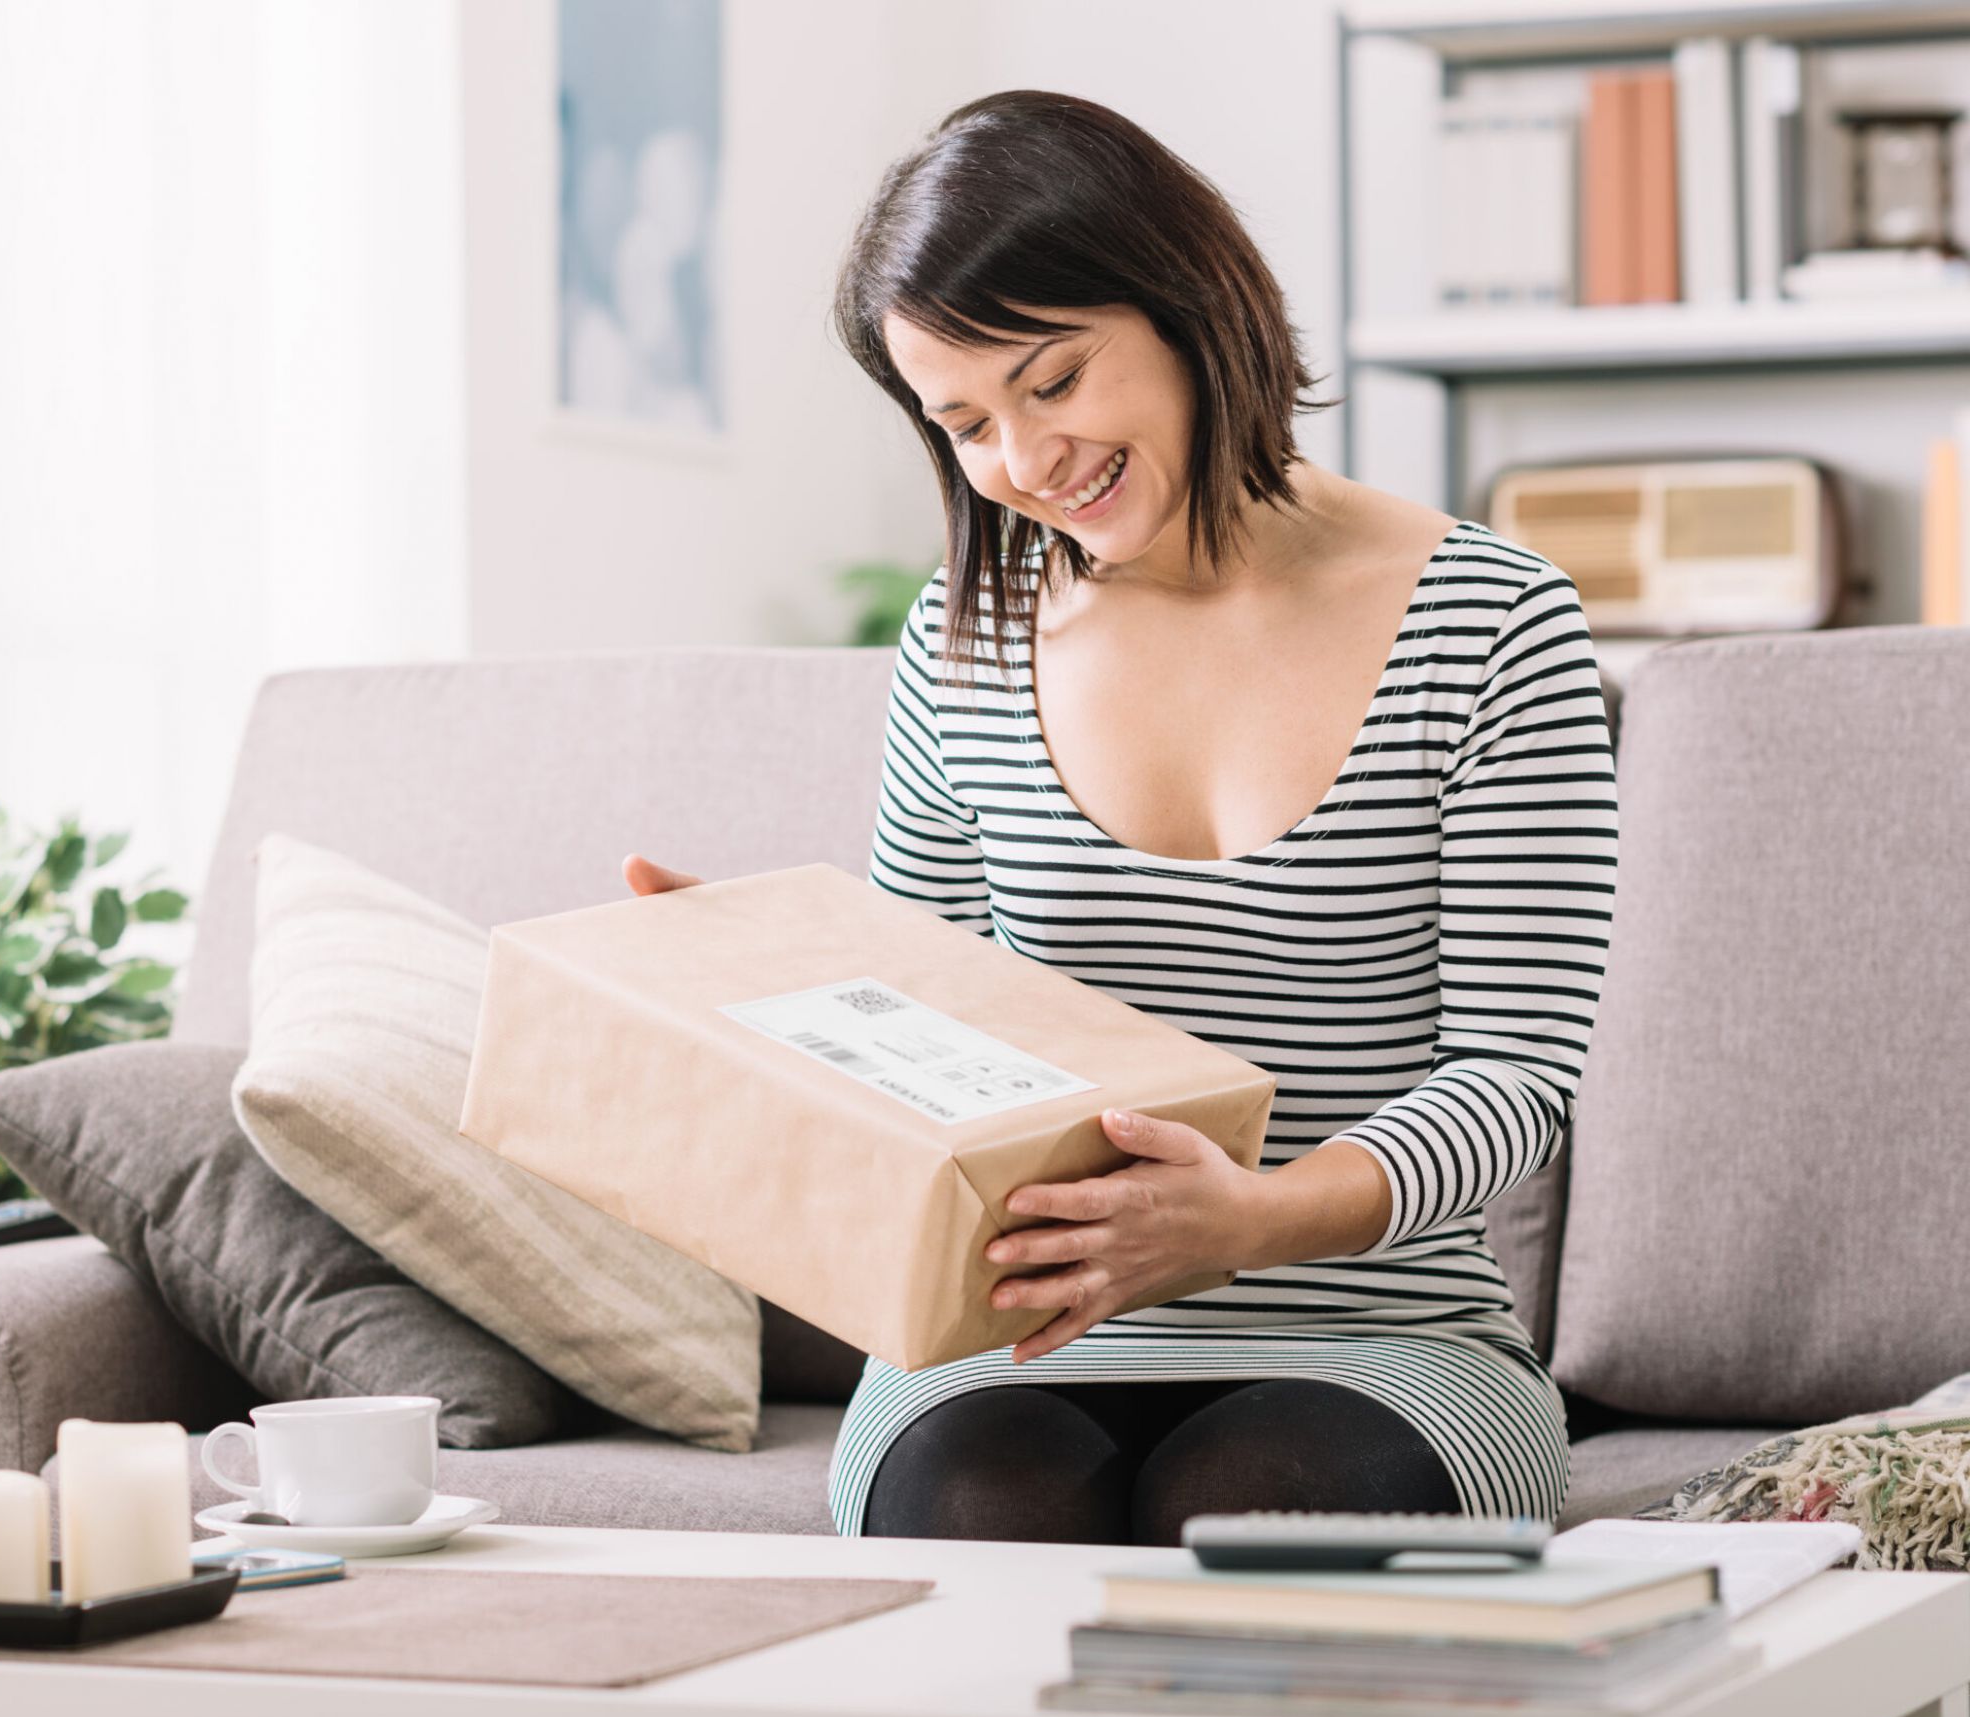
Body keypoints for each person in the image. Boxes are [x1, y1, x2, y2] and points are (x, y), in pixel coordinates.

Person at [625, 90, 1617, 1548]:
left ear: (1182, 302)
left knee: (1257, 1510)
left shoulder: (1489, 619)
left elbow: (1519, 1076)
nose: (1025, 461)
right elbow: (926, 1041)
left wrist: (1253, 1223)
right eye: (964, 422)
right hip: (1006, 1339)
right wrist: (771, 980)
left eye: (1054, 379)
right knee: (985, 1505)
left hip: (1386, 1339)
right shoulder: (964, 642)